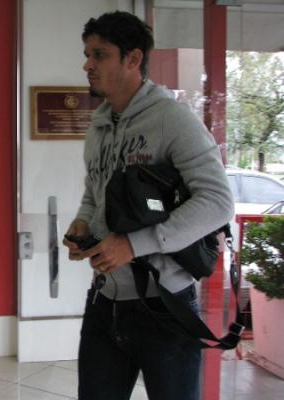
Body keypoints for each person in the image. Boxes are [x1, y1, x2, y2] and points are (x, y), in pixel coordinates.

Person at [62, 11, 234, 400]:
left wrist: (133, 244)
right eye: (87, 54)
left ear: (133, 58)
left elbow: (218, 202)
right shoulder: (98, 126)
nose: (87, 65)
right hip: (105, 302)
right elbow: (94, 191)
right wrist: (82, 223)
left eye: (100, 54)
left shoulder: (172, 119)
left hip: (165, 307)